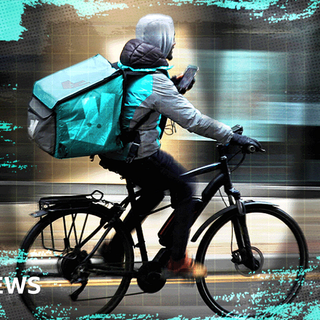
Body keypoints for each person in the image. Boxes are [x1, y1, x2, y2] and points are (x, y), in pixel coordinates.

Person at [99, 14, 263, 278]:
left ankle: (114, 250)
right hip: (135, 154)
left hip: (118, 151)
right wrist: (231, 137)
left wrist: (174, 89)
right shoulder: (155, 81)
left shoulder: (132, 67)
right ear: (162, 40)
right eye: (172, 38)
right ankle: (177, 261)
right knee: (186, 188)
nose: (174, 44)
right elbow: (194, 121)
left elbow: (141, 100)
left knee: (154, 192)